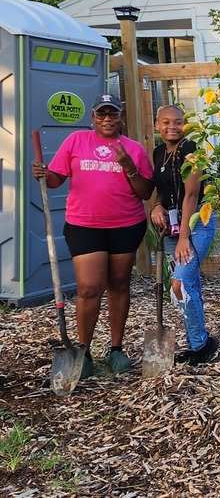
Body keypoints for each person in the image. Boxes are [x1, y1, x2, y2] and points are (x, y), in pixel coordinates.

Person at [32, 94, 154, 377]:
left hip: (126, 224)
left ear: (120, 116)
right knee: (88, 287)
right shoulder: (76, 141)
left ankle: (115, 349)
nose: (107, 119)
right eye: (102, 114)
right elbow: (55, 180)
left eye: (112, 114)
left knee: (119, 283)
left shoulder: (133, 149)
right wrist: (42, 172)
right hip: (84, 225)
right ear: (93, 118)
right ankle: (83, 350)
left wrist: (128, 165)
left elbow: (145, 192)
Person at [150, 105, 219, 365]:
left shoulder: (191, 151)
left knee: (180, 283)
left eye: (178, 122)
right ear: (157, 124)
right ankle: (199, 343)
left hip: (196, 221)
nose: (172, 127)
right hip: (173, 224)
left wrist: (183, 238)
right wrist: (157, 205)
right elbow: (162, 190)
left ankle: (201, 343)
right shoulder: (158, 152)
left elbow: (191, 194)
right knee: (186, 285)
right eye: (166, 122)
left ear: (185, 124)